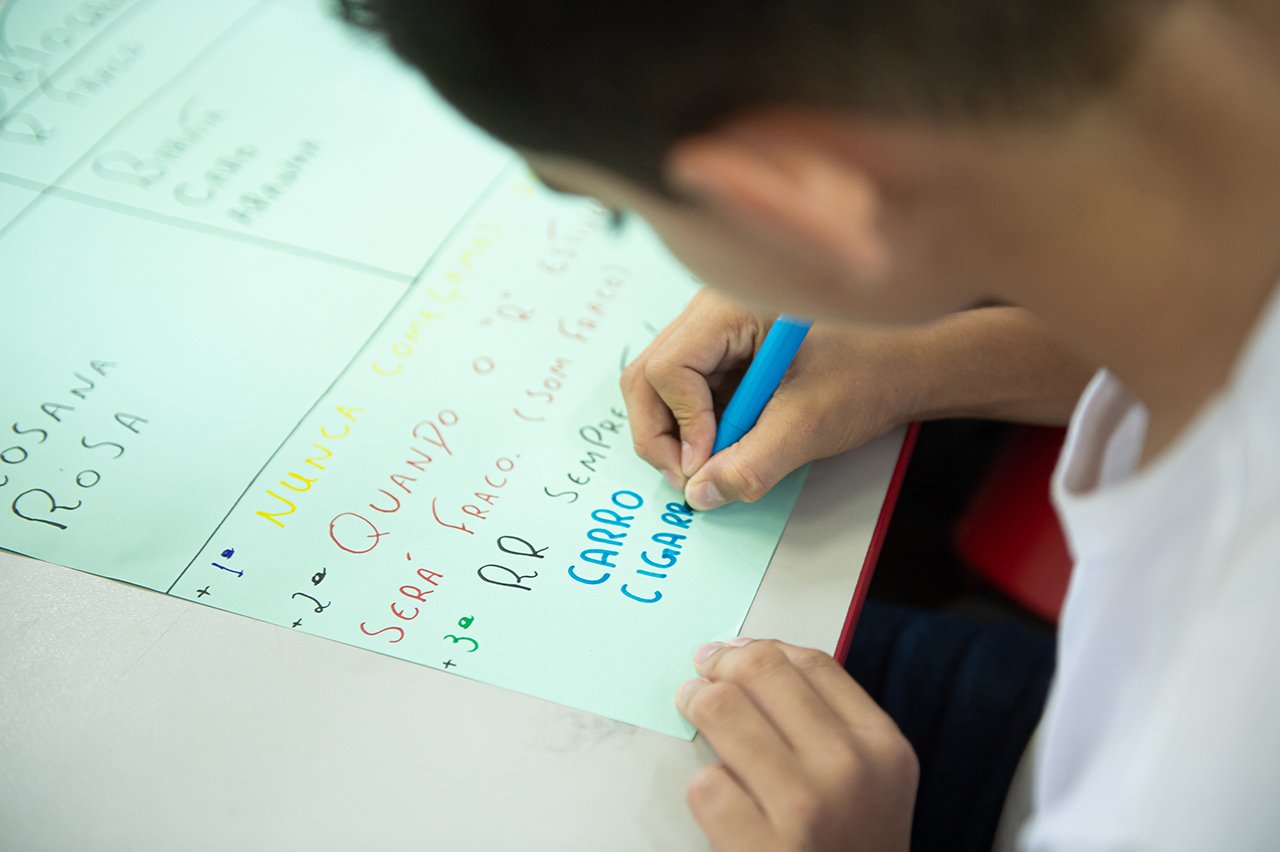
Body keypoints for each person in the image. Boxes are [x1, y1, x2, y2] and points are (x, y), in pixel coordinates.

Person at [340, 1, 1280, 849]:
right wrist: (911, 363)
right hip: (1067, 705)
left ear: (795, 200)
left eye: (623, 216)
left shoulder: (1198, 776)